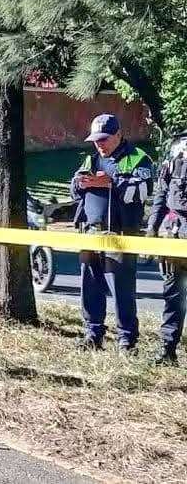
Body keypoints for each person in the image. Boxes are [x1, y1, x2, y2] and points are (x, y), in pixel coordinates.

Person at [71, 114, 153, 353]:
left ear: (118, 134)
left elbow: (143, 190)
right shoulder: (92, 159)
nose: (100, 144)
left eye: (104, 139)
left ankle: (126, 339)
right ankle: (92, 333)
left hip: (121, 234)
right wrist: (80, 182)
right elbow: (73, 190)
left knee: (122, 288)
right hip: (91, 232)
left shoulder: (138, 158)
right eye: (96, 140)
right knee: (90, 285)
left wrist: (110, 181)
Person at [145, 135, 187, 364]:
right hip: (175, 234)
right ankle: (168, 350)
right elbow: (161, 194)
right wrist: (152, 228)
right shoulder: (178, 148)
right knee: (174, 296)